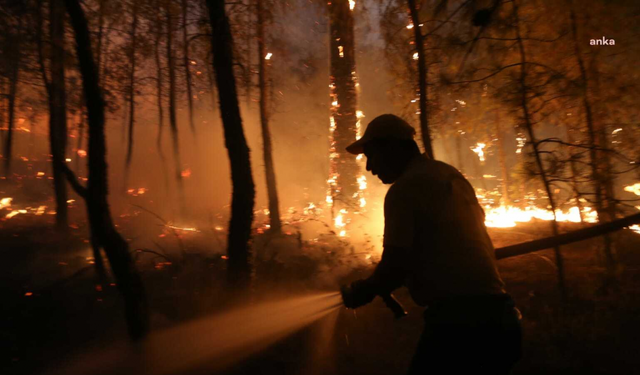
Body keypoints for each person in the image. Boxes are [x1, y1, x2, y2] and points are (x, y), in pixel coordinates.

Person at [341, 114, 522, 374]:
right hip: (502, 319)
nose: (369, 167)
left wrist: (364, 290)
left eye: (371, 155)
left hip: (461, 326)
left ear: (392, 147)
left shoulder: (405, 189)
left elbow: (394, 265)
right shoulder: (449, 175)